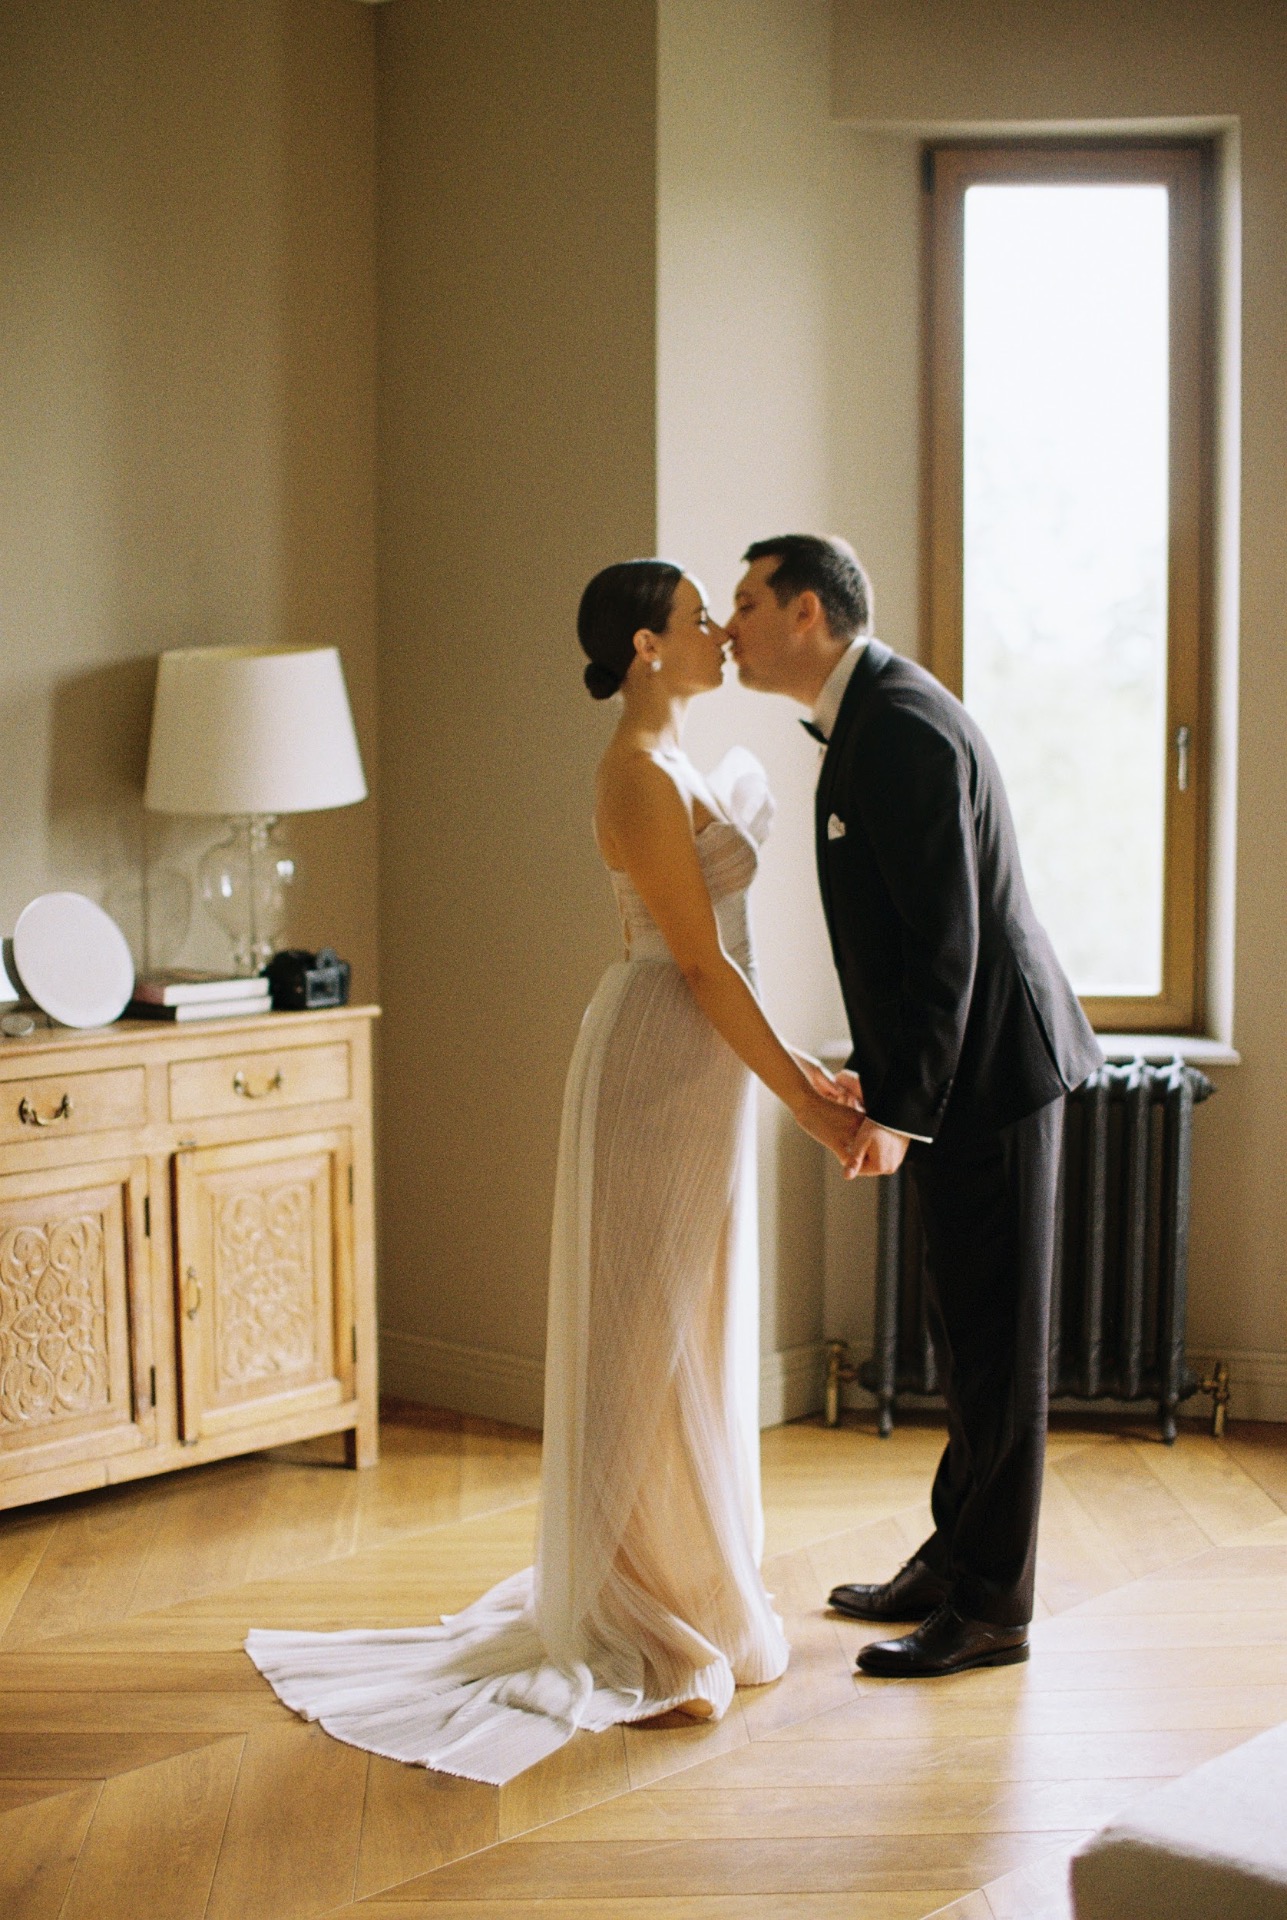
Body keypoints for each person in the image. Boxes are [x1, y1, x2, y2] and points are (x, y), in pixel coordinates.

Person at [246, 559, 860, 1783]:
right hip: (656, 1068)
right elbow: (696, 966)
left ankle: (684, 1572)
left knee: (689, 1325)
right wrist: (806, 1106)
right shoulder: (634, 772)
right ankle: (629, 1599)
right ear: (645, 646)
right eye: (697, 619)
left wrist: (801, 1068)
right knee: (638, 1331)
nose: (718, 633)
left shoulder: (675, 759)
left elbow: (724, 962)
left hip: (704, 1068)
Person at [727, 533, 1103, 1677]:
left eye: (747, 603)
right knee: (964, 1335)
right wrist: (884, 1085)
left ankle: (994, 1608)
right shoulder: (872, 714)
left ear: (806, 612)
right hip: (959, 1084)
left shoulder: (897, 723)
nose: (731, 626)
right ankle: (956, 1559)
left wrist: (904, 1111)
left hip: (992, 1080)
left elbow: (949, 942)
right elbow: (904, 941)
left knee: (999, 1350)